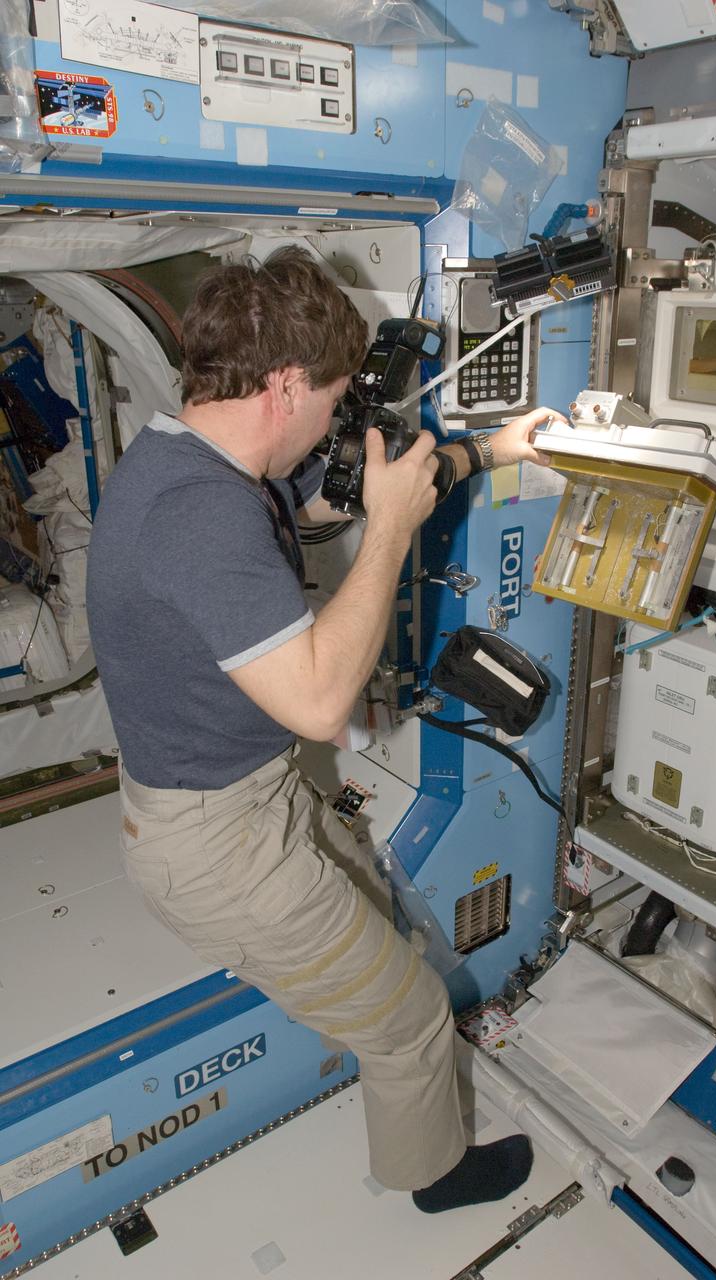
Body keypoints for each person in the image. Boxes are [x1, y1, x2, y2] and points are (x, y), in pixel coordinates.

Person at [86, 245, 561, 1214]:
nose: (333, 425)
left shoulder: (197, 454)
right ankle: (433, 1174)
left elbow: (319, 499)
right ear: (285, 383)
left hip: (250, 798)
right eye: (332, 399)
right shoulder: (196, 514)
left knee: (376, 927)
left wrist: (495, 449)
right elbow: (317, 703)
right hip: (218, 845)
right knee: (412, 1013)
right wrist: (387, 532)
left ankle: (365, 1024)